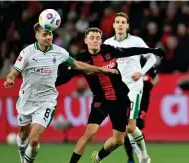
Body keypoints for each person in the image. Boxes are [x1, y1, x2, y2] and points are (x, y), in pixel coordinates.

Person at [4, 23, 117, 163]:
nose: (48, 37)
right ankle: (23, 154)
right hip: (27, 99)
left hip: (47, 101)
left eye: (50, 34)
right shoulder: (27, 52)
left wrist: (102, 70)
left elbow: (78, 64)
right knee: (23, 135)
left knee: (33, 140)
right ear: (37, 36)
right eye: (45, 35)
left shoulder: (59, 52)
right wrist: (10, 78)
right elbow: (14, 71)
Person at [55, 27, 164, 163]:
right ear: (86, 40)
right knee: (89, 133)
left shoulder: (109, 50)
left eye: (97, 38)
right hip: (101, 101)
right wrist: (49, 85)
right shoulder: (82, 60)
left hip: (121, 100)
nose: (95, 40)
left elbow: (131, 51)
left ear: (101, 40)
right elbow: (65, 77)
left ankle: (97, 158)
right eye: (92, 38)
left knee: (118, 140)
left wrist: (152, 51)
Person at [104, 12, 158, 163]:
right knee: (128, 129)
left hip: (134, 87)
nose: (120, 24)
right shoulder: (107, 44)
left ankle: (143, 156)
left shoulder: (136, 41)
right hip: (117, 90)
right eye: (118, 22)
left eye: (123, 22)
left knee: (130, 127)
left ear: (127, 26)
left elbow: (152, 57)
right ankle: (143, 157)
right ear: (114, 25)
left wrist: (141, 72)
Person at [123, 57, 159, 163]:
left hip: (142, 103)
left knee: (138, 128)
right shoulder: (126, 62)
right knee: (127, 130)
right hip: (129, 100)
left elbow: (156, 78)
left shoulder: (147, 64)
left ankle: (142, 155)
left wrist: (149, 86)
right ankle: (131, 158)